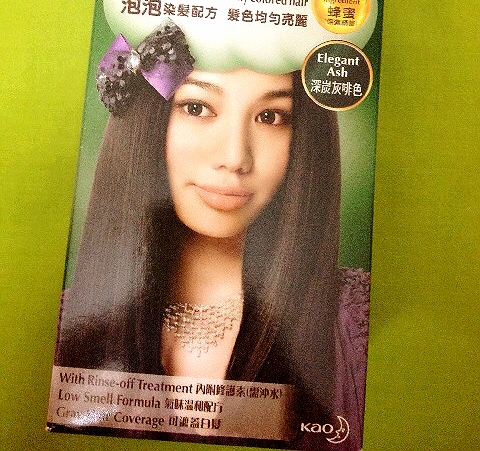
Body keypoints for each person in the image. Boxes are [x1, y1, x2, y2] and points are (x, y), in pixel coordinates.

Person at [56, 24, 369, 449]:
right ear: (148, 123)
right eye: (197, 108)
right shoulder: (64, 328)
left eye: (270, 117)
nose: (234, 157)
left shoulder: (353, 324)